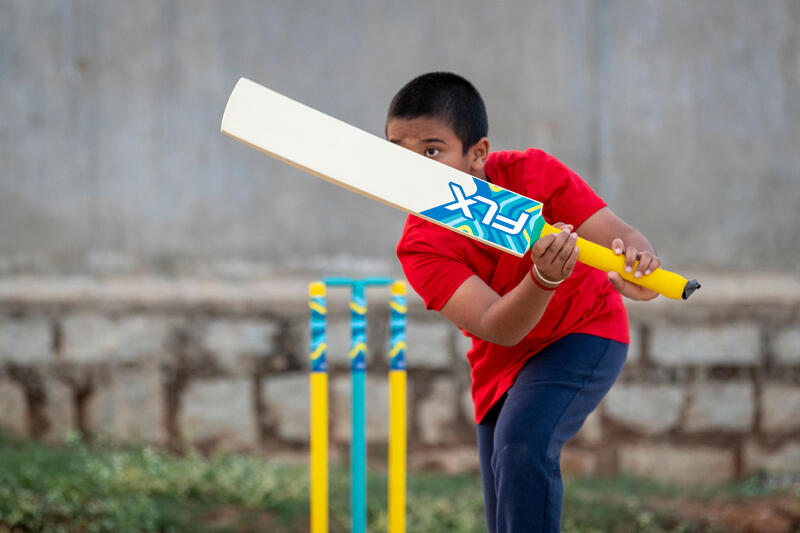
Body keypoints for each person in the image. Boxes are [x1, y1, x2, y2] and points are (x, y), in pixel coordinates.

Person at [389, 72, 661, 533]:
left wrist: (640, 263)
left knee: (522, 443)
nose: (414, 167)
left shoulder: (532, 174)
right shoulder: (420, 246)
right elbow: (499, 326)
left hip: (584, 330)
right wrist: (541, 278)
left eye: (432, 151)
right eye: (399, 152)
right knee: (508, 501)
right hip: (503, 359)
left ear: (477, 154)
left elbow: (621, 239)